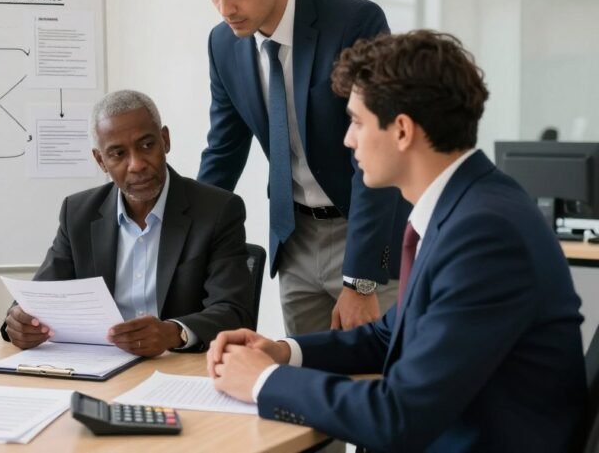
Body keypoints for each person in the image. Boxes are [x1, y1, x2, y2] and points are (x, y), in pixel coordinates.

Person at [208, 31, 586, 452]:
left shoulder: (486, 234)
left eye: (355, 121)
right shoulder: (463, 207)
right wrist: (280, 352)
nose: (347, 140)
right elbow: (389, 335)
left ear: (402, 130)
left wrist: (262, 381)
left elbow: (399, 416)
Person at [183, 0, 410, 334]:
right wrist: (185, 241)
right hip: (294, 236)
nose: (225, 9)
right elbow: (224, 151)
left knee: (376, 378)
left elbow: (378, 150)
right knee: (303, 381)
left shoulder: (354, 21)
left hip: (363, 232)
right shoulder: (224, 45)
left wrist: (360, 281)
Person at [2, 90, 254, 356]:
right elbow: (39, 298)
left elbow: (233, 311)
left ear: (165, 140)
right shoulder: (78, 213)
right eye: (118, 154)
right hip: (101, 367)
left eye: (147, 145)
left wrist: (173, 332)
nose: (136, 164)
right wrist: (18, 322)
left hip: (179, 366)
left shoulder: (217, 210)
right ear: (101, 160)